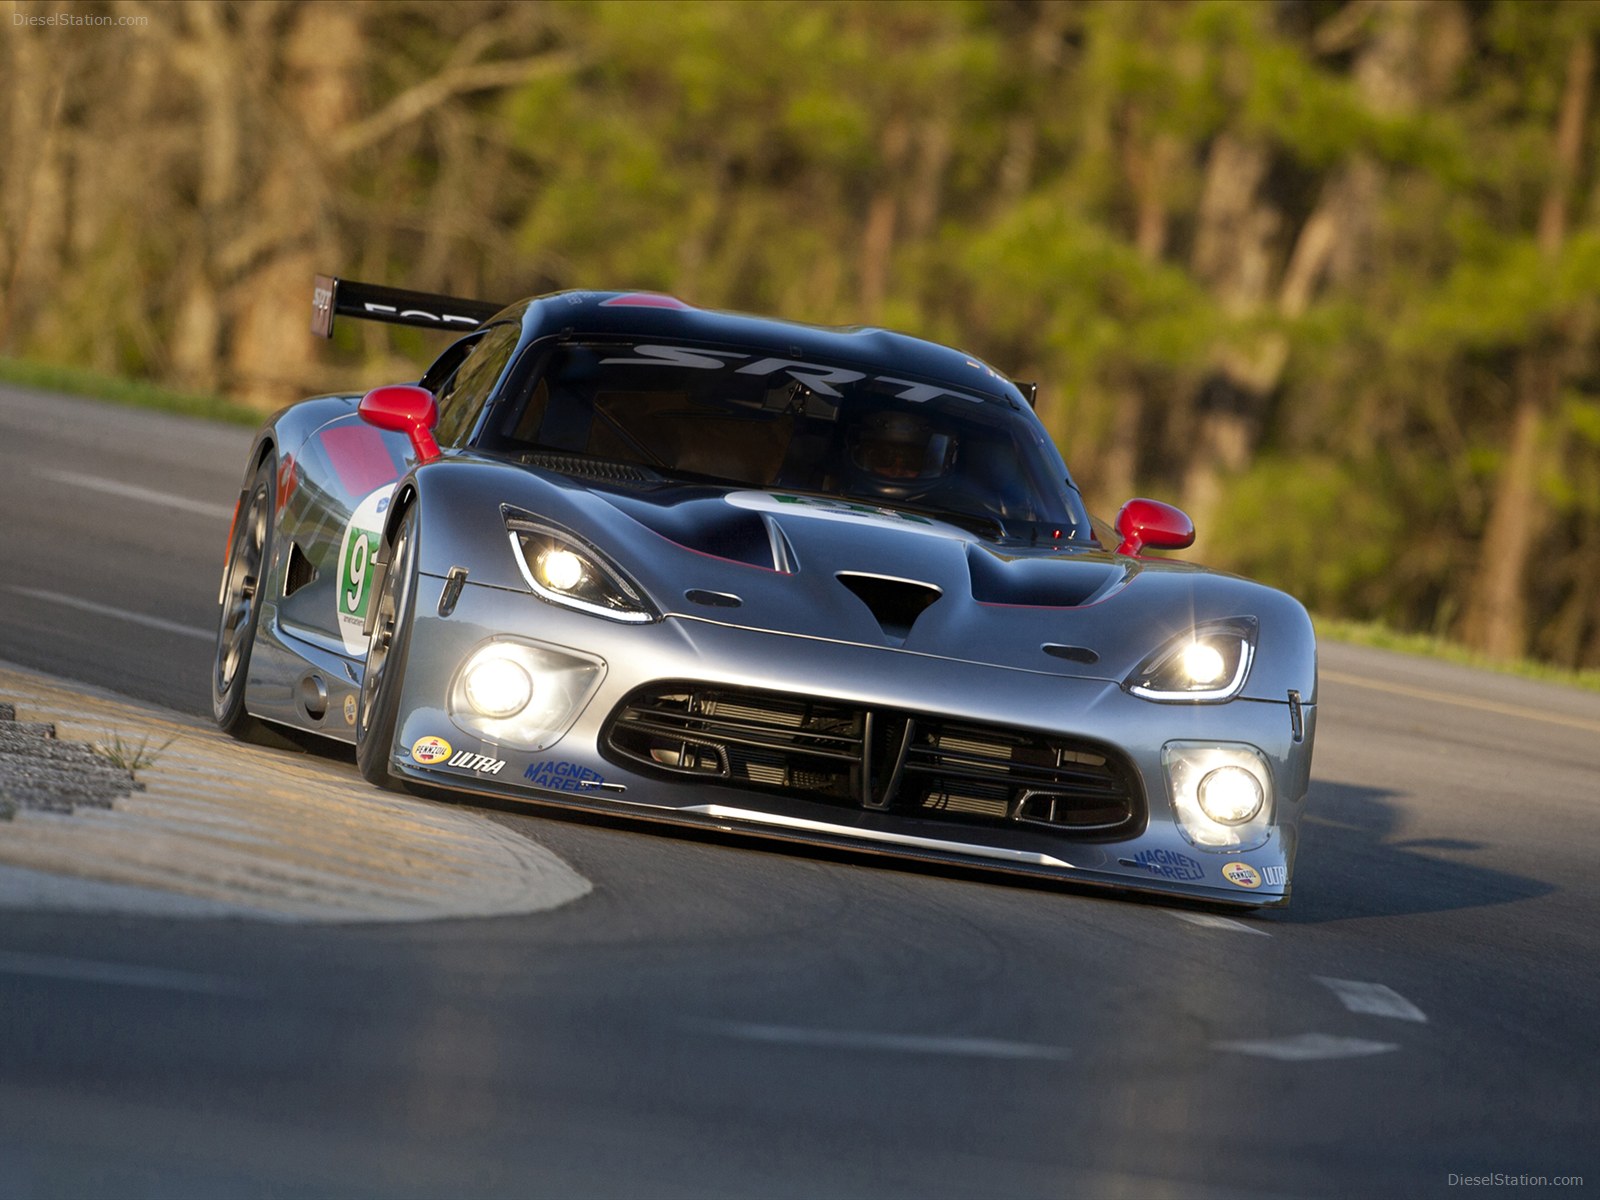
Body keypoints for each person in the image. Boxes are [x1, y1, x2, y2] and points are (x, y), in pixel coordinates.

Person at [845, 409, 957, 501]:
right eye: (884, 457)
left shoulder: (950, 511)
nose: (897, 471)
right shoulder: (836, 495)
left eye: (912, 461)